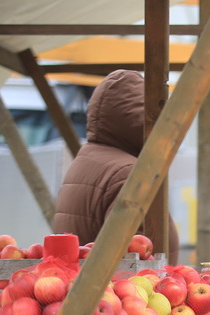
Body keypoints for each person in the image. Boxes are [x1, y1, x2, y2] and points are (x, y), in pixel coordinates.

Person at [53, 69, 179, 263]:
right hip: (125, 283)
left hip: (77, 280)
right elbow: (135, 259)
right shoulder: (128, 172)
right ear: (143, 119)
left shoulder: (88, 160)